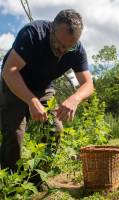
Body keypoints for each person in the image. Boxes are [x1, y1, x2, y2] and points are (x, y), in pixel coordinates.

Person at [0, 9, 94, 186]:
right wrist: (31, 100)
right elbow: (9, 71)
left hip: (43, 87)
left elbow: (88, 84)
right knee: (14, 134)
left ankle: (36, 180)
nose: (62, 51)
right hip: (15, 82)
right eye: (58, 44)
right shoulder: (33, 33)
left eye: (69, 47)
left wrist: (74, 99)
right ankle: (10, 184)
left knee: (55, 130)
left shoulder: (76, 50)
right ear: (51, 28)